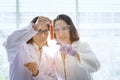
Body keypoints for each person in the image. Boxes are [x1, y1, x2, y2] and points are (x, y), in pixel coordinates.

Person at [53, 14, 100, 80]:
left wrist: (75, 54)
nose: (61, 33)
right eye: (57, 30)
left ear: (70, 29)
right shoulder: (56, 54)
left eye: (64, 28)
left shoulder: (82, 46)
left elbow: (96, 66)